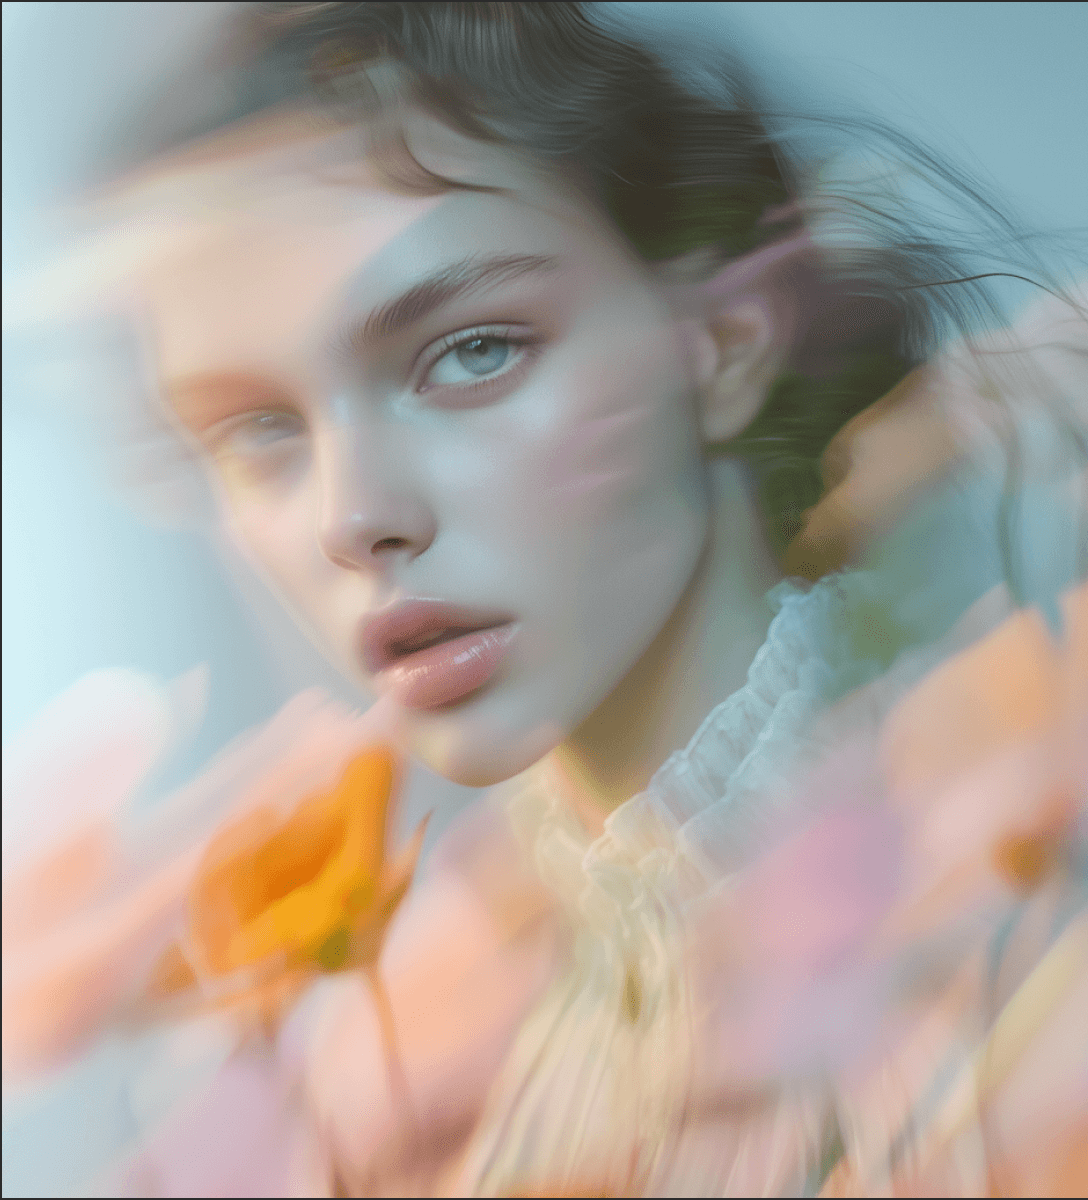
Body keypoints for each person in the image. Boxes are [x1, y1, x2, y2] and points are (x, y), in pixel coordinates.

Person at [3, 3, 1086, 1195]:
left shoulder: (1017, 859)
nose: (351, 517)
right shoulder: (390, 1059)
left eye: (473, 350)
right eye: (257, 430)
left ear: (724, 341)